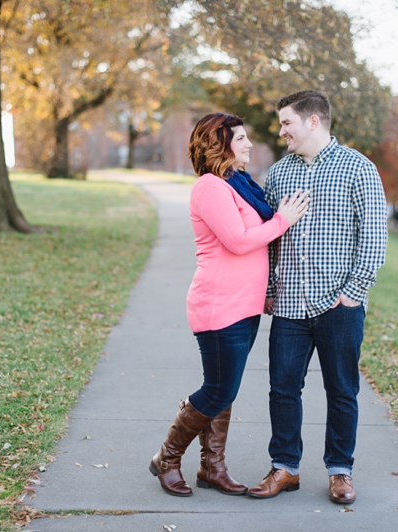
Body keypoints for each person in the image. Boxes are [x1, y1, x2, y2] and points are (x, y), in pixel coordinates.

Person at [149, 113, 309, 497]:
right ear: (219, 144)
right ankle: (167, 458)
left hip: (245, 306)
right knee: (218, 390)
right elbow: (238, 241)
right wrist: (283, 221)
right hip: (220, 306)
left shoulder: (236, 184)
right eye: (240, 138)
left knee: (225, 388)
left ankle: (212, 467)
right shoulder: (209, 187)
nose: (249, 144)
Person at [247, 90, 387, 504]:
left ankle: (340, 471)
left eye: (287, 122)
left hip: (339, 306)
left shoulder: (358, 168)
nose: (281, 130)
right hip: (289, 306)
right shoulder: (277, 175)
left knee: (342, 391)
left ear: (312, 121)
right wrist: (270, 290)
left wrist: (352, 293)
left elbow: (374, 239)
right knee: (282, 389)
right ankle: (285, 467)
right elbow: (271, 240)